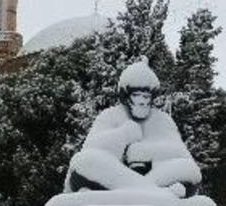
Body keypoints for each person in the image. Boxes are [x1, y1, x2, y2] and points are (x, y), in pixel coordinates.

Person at [66, 57, 201, 197]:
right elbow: (91, 150)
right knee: (84, 162)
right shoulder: (110, 115)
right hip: (117, 178)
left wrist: (145, 152)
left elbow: (181, 154)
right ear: (127, 97)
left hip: (155, 179)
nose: (142, 101)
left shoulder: (163, 120)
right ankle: (156, 195)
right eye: (137, 95)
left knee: (189, 170)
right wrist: (122, 135)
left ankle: (143, 193)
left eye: (146, 96)